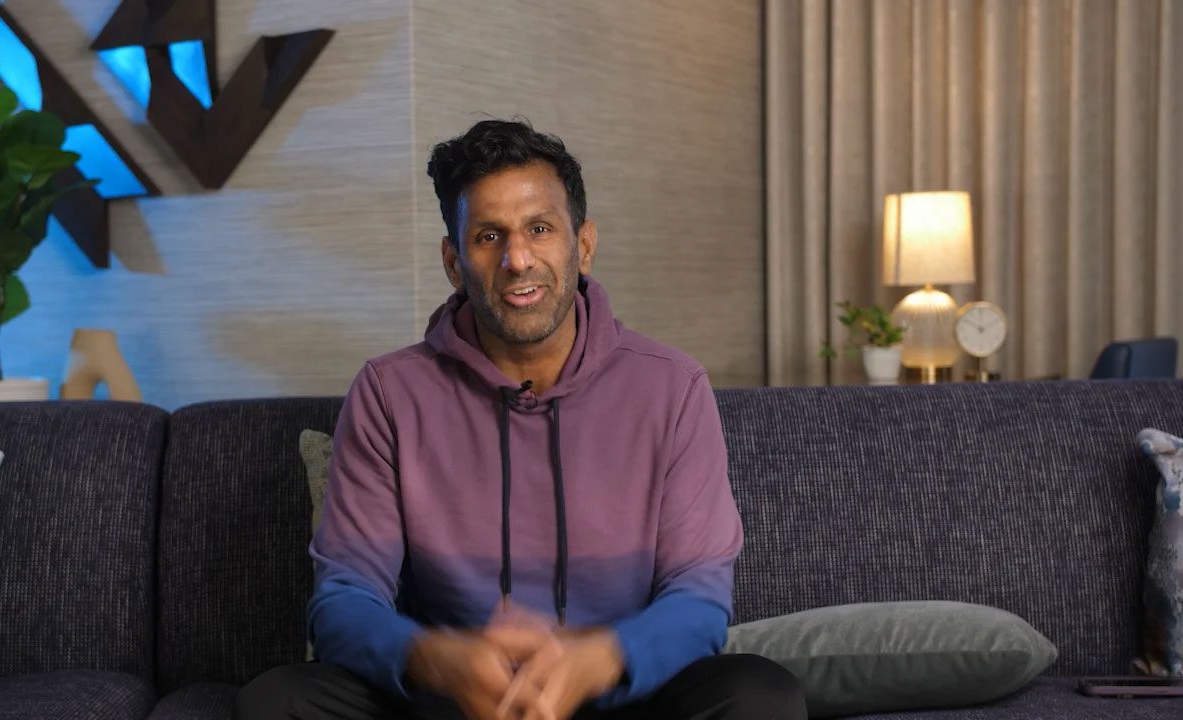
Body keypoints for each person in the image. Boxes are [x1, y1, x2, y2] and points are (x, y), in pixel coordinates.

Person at [235, 120, 806, 720]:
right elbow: (345, 600)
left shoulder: (672, 386)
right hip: (456, 701)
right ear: (455, 262)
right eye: (488, 236)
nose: (517, 259)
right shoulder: (388, 392)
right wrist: (439, 659)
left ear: (582, 245)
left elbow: (699, 598)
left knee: (759, 695)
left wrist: (604, 658)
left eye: (539, 228)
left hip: (620, 695)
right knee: (278, 702)